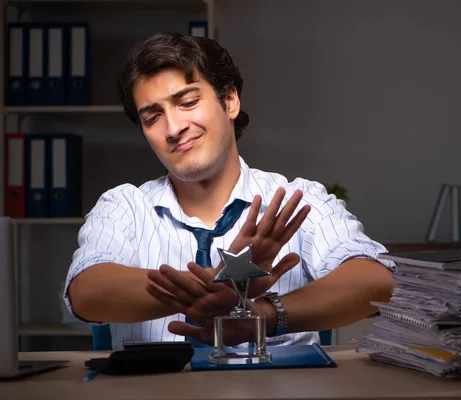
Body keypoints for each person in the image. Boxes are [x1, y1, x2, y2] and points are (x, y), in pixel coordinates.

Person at [64, 32, 395, 350]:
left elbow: (376, 283)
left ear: (230, 100)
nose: (174, 128)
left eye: (188, 102)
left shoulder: (299, 200)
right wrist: (225, 279)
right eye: (153, 117)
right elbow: (87, 292)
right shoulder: (123, 206)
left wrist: (262, 315)